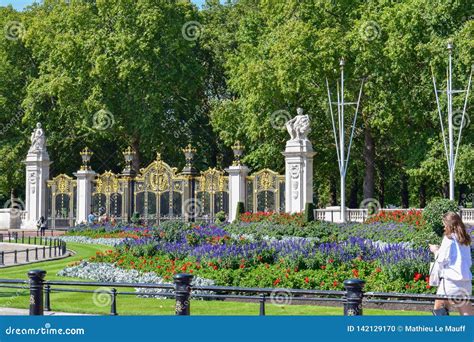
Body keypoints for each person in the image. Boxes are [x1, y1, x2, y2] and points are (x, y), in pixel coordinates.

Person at [429, 212, 472, 316]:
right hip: (465, 282)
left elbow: (441, 260)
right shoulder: (465, 240)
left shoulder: (448, 239)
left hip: (450, 282)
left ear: (448, 225)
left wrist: (435, 251)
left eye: (444, 224)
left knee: (439, 310)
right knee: (467, 313)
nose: (444, 227)